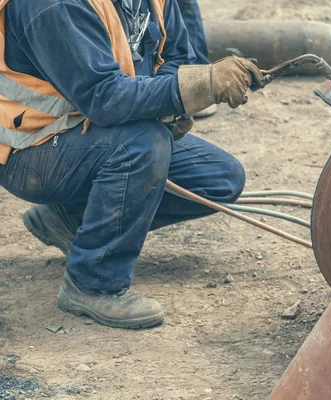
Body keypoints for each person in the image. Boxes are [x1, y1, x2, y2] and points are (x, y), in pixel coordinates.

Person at [0, 0, 265, 329]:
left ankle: (72, 220)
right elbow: (103, 96)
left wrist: (171, 106)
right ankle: (93, 282)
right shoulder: (53, 4)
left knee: (219, 178)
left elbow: (177, 58)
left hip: (97, 132)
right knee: (142, 142)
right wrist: (190, 90)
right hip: (33, 150)